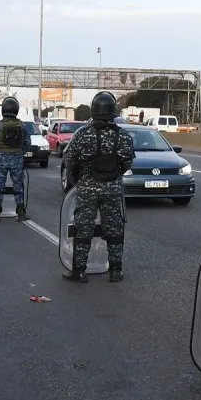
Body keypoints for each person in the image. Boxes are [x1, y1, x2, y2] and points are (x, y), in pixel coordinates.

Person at [62, 91, 135, 282]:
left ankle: (79, 271)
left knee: (83, 229)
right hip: (112, 188)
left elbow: (70, 160)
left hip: (87, 188)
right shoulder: (124, 136)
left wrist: (78, 178)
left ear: (93, 111)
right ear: (114, 112)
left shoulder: (83, 134)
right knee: (114, 230)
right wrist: (115, 174)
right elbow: (127, 163)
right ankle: (115, 272)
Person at [0, 97, 32, 222]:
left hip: (1, 159)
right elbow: (28, 142)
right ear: (16, 110)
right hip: (17, 160)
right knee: (18, 186)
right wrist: (20, 154)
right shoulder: (21, 126)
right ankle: (21, 212)